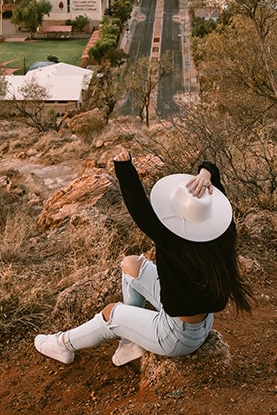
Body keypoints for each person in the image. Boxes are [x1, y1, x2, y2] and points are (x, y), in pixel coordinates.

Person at [34, 147, 252, 367]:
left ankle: (63, 344)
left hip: (176, 335)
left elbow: (139, 209)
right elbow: (219, 196)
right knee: (131, 265)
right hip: (199, 322)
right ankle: (129, 344)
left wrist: (124, 167)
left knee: (111, 314)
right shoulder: (223, 234)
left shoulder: (176, 242)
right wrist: (208, 173)